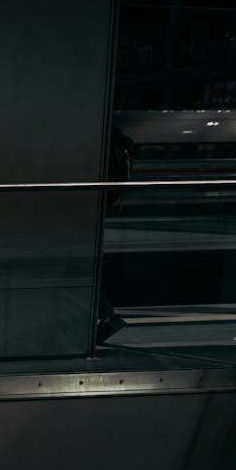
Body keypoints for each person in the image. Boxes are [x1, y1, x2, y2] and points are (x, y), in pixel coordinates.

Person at [95, 127, 134, 345]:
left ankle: (107, 316)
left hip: (88, 210)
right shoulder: (118, 145)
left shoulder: (103, 142)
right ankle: (107, 316)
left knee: (76, 266)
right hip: (99, 207)